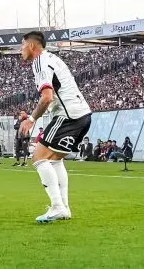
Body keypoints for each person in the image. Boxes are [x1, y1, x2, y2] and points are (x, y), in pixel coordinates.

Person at [18, 31, 92, 224]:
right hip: (83, 115)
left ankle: (57, 207)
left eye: (22, 45)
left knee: (38, 157)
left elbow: (47, 97)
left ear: (32, 46)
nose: (20, 50)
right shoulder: (53, 58)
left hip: (68, 116)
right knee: (55, 160)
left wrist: (31, 119)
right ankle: (64, 207)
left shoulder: (40, 62)